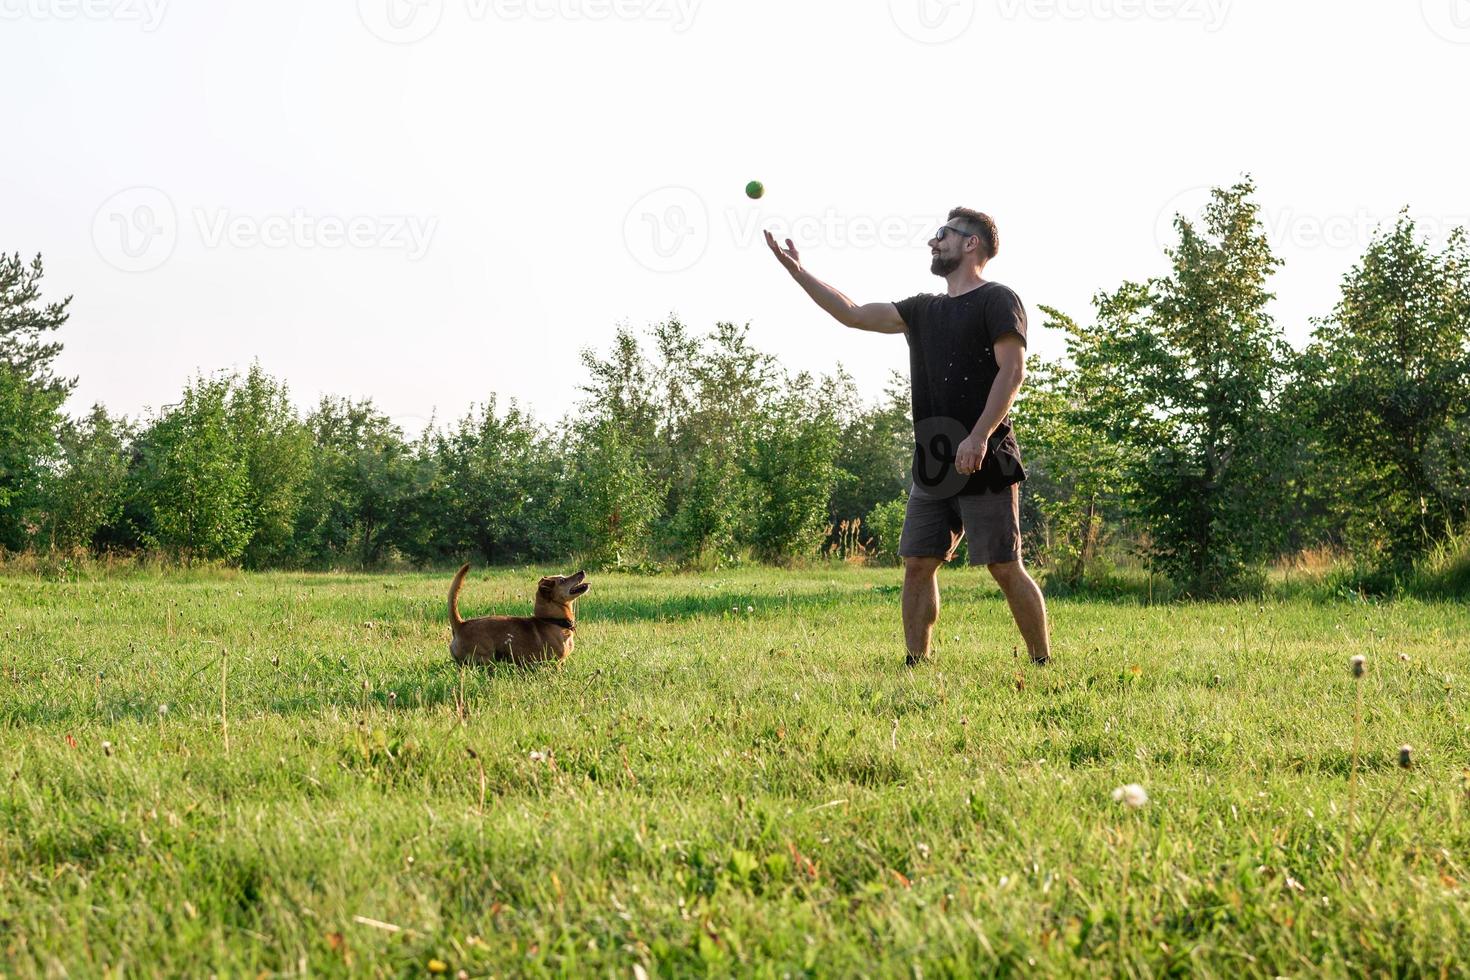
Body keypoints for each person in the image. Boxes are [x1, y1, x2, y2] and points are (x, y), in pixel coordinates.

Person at [765, 207, 1051, 667]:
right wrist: (800, 272)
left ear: (971, 243)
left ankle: (1041, 662)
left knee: (1003, 565)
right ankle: (916, 663)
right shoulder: (923, 309)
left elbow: (1012, 372)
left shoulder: (998, 300)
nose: (933, 242)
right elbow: (854, 314)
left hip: (986, 455)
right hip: (933, 460)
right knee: (918, 562)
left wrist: (978, 437)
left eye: (943, 235)